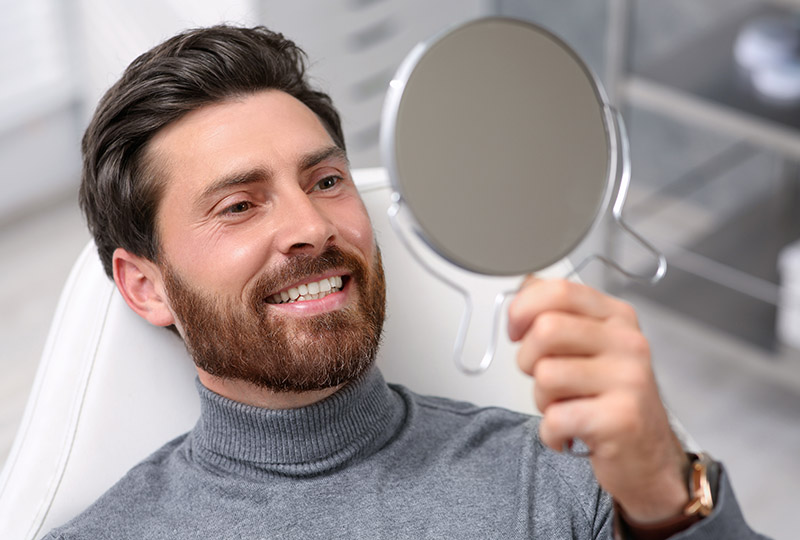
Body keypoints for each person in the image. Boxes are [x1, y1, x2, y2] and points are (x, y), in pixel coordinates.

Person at [45, 24, 766, 539]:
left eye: (326, 180)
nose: (313, 227)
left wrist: (670, 503)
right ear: (146, 287)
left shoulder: (562, 482)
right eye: (239, 205)